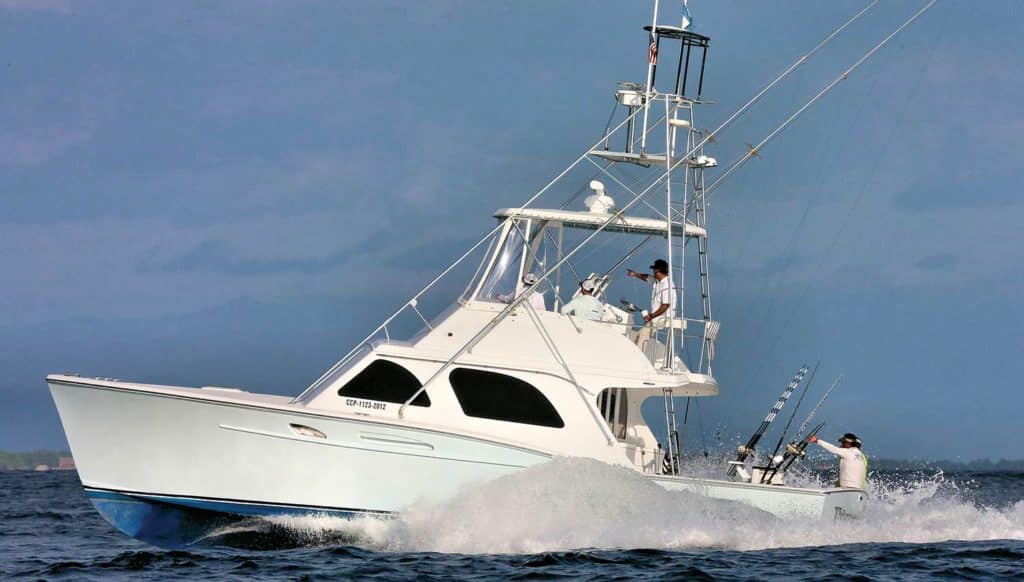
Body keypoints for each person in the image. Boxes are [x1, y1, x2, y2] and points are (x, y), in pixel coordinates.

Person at [626, 259, 677, 349]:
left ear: (658, 271)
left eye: (654, 269)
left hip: (663, 317)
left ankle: (639, 359)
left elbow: (665, 306)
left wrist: (651, 316)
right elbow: (646, 277)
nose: (652, 271)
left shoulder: (667, 285)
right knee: (640, 335)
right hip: (656, 317)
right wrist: (635, 274)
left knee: (642, 335)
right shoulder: (658, 281)